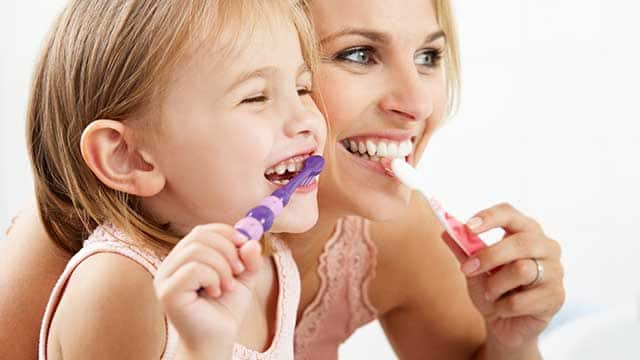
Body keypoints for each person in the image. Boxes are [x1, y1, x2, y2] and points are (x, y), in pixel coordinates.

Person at [1, 0, 565, 359]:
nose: (418, 104)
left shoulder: (277, 264)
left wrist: (513, 341)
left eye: (429, 55)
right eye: (358, 54)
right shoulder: (109, 275)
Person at [10, 0, 327, 358]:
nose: (306, 120)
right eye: (255, 97)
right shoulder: (119, 285)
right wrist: (201, 350)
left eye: (303, 88)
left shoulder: (273, 261)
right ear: (129, 158)